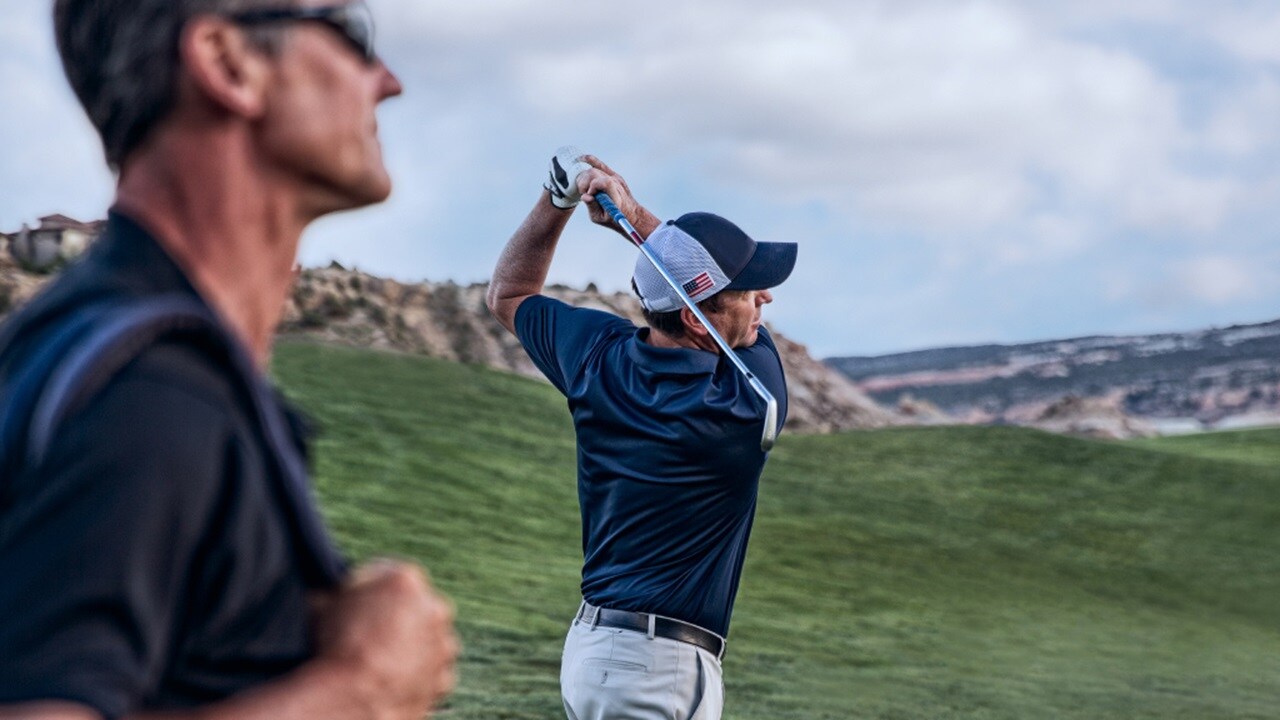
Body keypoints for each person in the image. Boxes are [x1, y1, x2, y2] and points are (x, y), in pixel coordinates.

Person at [0, 2, 457, 719]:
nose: (387, 81)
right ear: (227, 63)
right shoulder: (149, 396)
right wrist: (362, 690)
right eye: (352, 33)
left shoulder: (81, 351)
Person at [487, 149, 797, 720]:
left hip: (605, 653)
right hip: (654, 670)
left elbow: (508, 292)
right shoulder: (748, 403)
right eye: (749, 289)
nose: (766, 300)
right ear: (692, 317)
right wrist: (636, 219)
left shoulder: (597, 355)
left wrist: (556, 198)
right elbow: (733, 323)